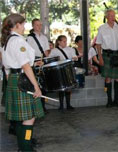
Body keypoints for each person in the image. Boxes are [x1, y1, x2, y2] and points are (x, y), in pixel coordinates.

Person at [1, 13, 44, 151]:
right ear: (17, 25)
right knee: (29, 118)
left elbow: (7, 66)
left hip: (14, 79)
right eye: (24, 24)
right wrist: (36, 87)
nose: (25, 26)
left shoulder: (7, 41)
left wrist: (11, 80)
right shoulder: (18, 41)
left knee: (20, 118)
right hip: (23, 79)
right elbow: (25, 66)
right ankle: (26, 148)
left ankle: (23, 147)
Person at [96, 9, 118, 108]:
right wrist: (100, 57)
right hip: (107, 55)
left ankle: (116, 99)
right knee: (108, 78)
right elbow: (98, 44)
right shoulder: (102, 28)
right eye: (111, 16)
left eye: (114, 15)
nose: (113, 18)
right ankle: (109, 101)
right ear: (106, 17)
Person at [27, 18, 50, 113]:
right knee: (35, 84)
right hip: (34, 61)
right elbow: (28, 52)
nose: (39, 27)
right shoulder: (29, 38)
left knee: (44, 84)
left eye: (40, 25)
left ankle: (43, 106)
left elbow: (47, 51)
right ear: (33, 26)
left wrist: (45, 57)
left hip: (43, 60)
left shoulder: (44, 38)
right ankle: (35, 107)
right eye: (37, 25)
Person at [49, 35, 78, 111]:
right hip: (59, 71)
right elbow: (50, 60)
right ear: (59, 42)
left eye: (66, 41)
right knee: (61, 87)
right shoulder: (54, 50)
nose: (65, 43)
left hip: (68, 69)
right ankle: (61, 105)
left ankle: (68, 104)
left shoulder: (70, 49)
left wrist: (75, 58)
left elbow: (75, 57)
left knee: (68, 87)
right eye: (64, 41)